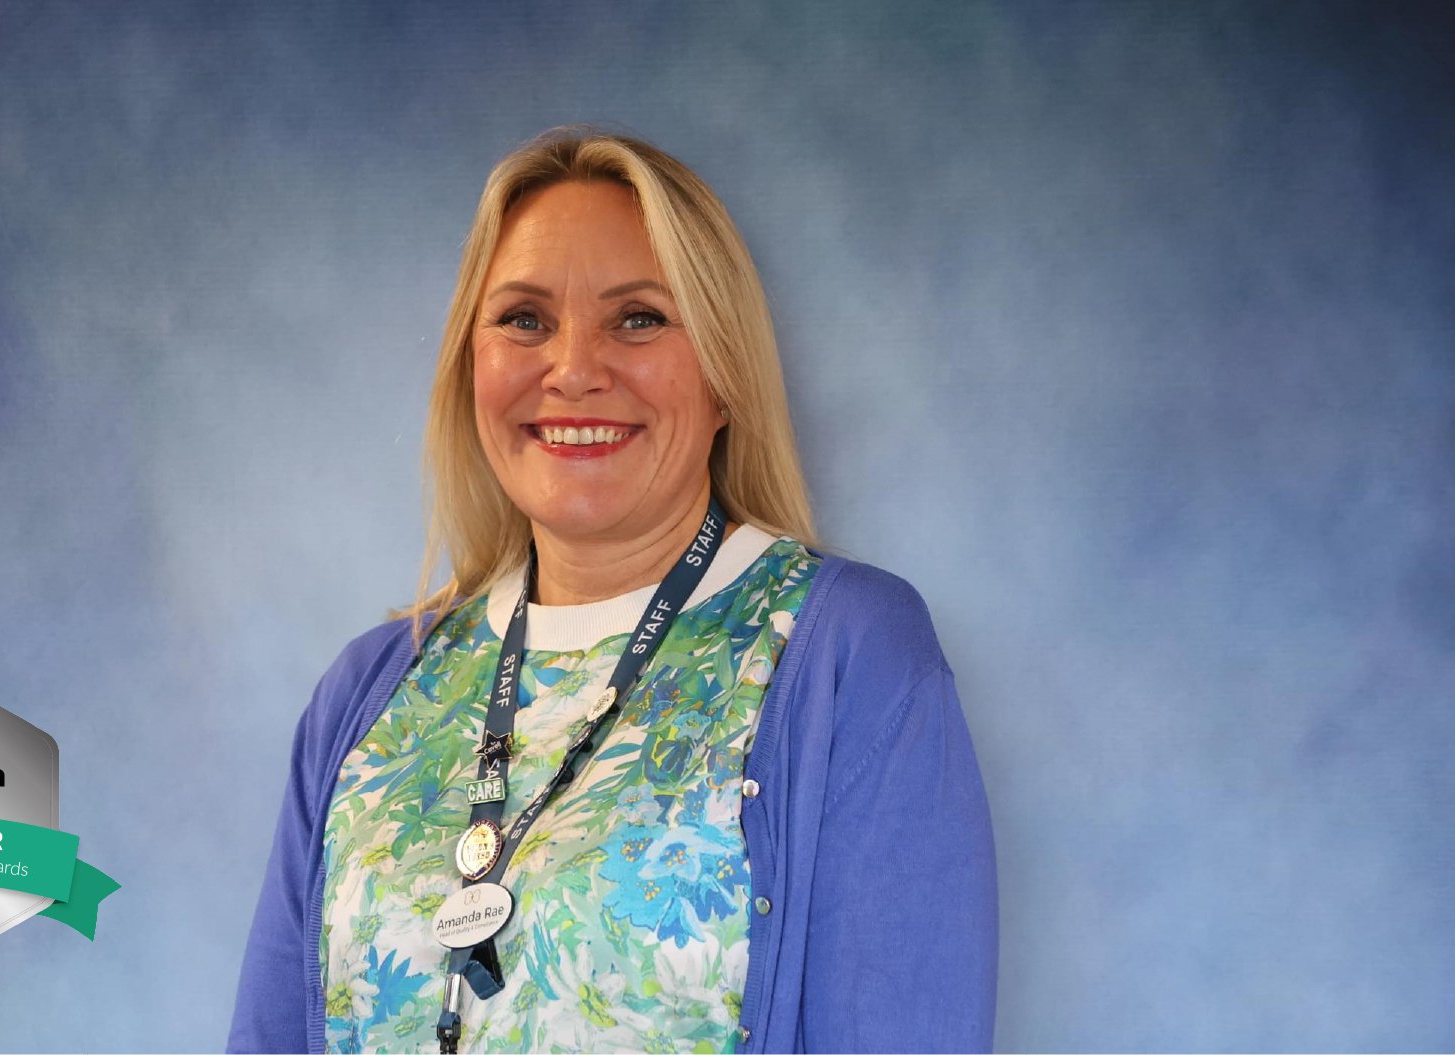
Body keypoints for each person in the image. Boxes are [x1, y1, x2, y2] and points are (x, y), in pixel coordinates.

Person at [228, 126, 997, 1054]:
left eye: (637, 318)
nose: (574, 370)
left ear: (724, 373)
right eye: (523, 320)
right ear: (470, 365)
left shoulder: (846, 653)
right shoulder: (370, 691)